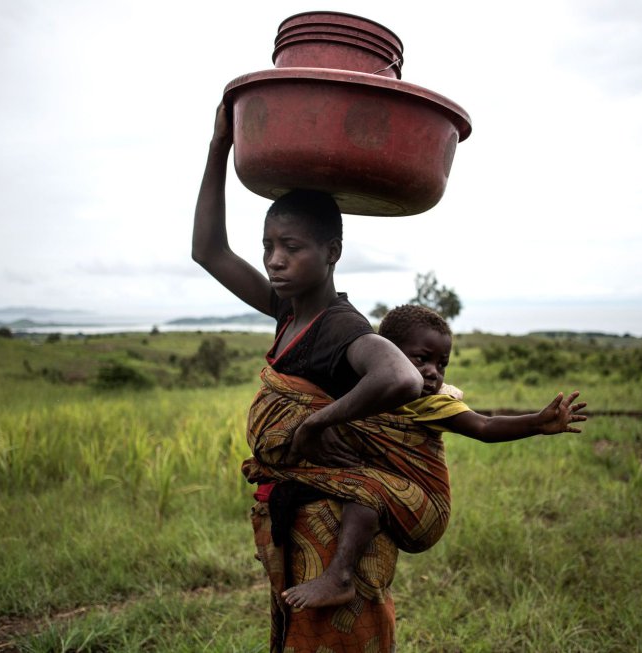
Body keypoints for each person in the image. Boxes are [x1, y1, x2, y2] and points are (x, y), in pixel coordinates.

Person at [192, 101, 423, 652]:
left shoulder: (338, 326)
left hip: (334, 521)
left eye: (291, 248)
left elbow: (401, 377)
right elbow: (208, 251)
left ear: (332, 252)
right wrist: (219, 147)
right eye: (269, 247)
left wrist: (317, 423)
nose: (275, 259)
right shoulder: (288, 311)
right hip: (296, 515)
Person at [265, 304, 587, 610]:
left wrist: (536, 423)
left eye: (441, 364)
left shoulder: (432, 405)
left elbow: (484, 426)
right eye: (421, 359)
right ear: (386, 355)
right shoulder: (366, 393)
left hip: (427, 507)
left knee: (363, 491)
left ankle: (340, 577)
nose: (432, 373)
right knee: (325, 484)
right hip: (395, 494)